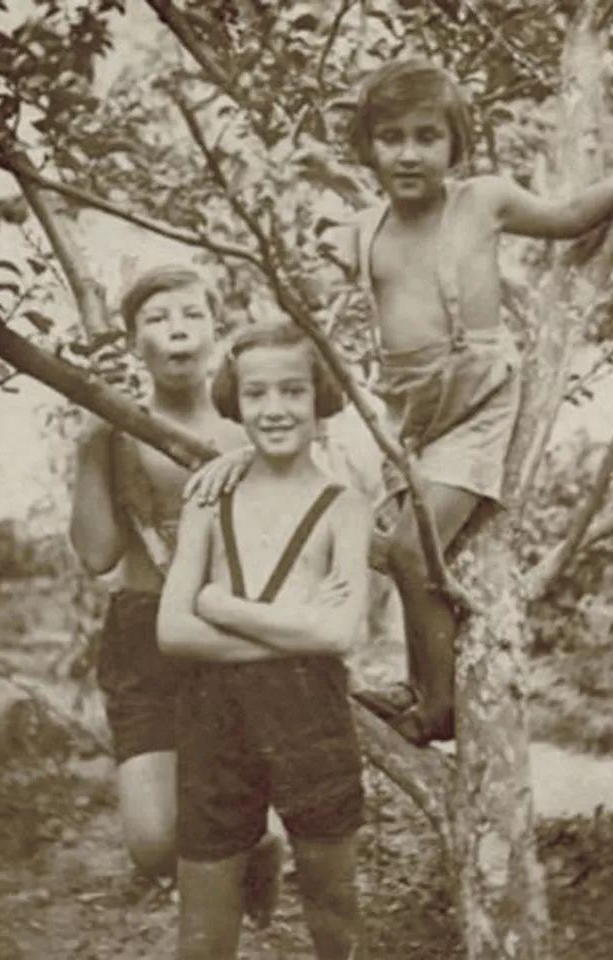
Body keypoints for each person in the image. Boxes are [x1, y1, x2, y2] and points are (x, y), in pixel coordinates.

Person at [184, 57, 613, 747]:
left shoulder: (484, 202)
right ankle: (420, 683)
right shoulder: (363, 230)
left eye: (426, 136)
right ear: (367, 147)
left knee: (413, 553)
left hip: (477, 401)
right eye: (391, 137)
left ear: (455, 143)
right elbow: (305, 314)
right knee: (413, 552)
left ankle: (438, 710)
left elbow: (568, 217)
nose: (409, 153)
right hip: (408, 416)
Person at [69, 265, 281, 921]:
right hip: (142, 633)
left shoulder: (250, 433)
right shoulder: (115, 431)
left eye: (191, 314)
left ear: (217, 330)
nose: (177, 330)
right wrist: (91, 442)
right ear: (135, 343)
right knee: (154, 842)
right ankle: (255, 847)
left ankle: (247, 855)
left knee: (220, 814)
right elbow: (98, 555)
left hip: (227, 634)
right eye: (156, 320)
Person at [157, 321, 372, 960]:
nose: (274, 408)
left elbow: (340, 631)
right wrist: (302, 632)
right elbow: (172, 631)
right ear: (235, 399)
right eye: (255, 393)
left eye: (292, 391)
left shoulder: (344, 507)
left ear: (319, 395)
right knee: (203, 921)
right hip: (213, 716)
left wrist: (220, 604)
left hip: (312, 717)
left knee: (332, 902)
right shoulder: (209, 500)